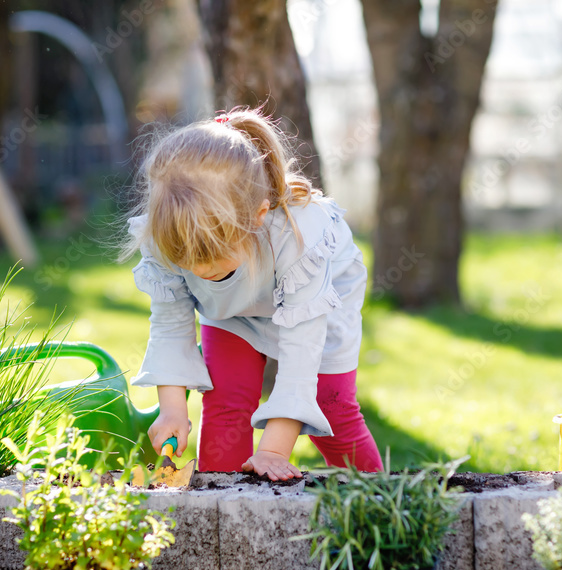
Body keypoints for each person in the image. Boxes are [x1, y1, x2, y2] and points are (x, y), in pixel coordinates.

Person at [121, 107, 382, 481]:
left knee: (331, 403)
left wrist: (274, 450)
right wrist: (173, 410)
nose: (198, 269)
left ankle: (378, 500)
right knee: (225, 398)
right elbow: (170, 327)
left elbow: (301, 355)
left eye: (211, 254)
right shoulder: (167, 235)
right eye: (185, 257)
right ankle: (221, 508)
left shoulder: (296, 240)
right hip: (233, 308)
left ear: (258, 217)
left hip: (319, 299)